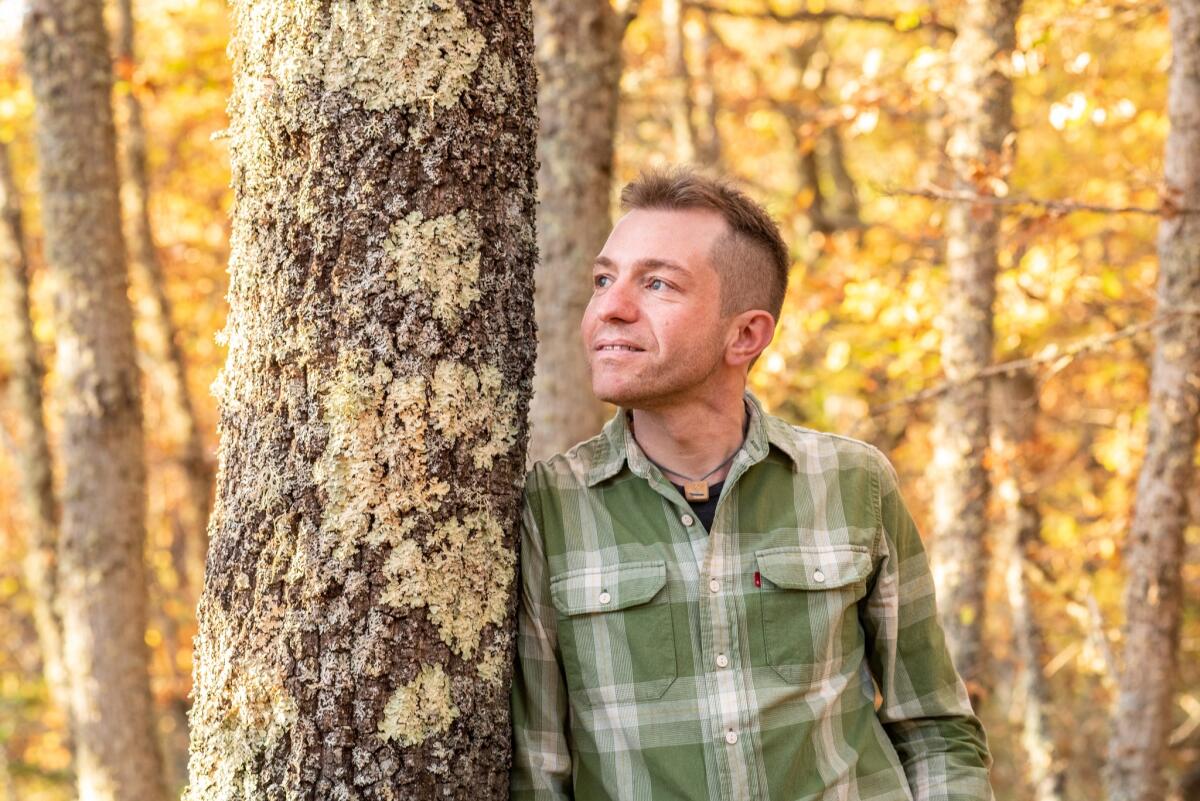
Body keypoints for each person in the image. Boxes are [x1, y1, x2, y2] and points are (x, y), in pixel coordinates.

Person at [511, 167, 993, 801]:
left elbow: (936, 729)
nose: (611, 308)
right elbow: (538, 773)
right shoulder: (549, 507)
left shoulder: (853, 483)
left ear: (745, 335)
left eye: (657, 284)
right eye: (604, 279)